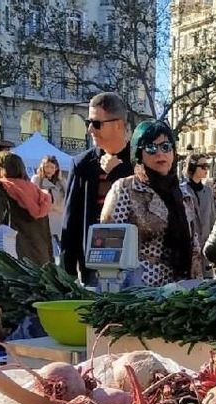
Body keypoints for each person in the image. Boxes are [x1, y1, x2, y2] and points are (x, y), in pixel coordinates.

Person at [100, 120, 199, 286]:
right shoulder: (125, 189)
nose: (160, 153)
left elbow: (194, 246)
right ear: (139, 154)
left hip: (179, 292)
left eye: (166, 146)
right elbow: (107, 247)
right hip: (138, 294)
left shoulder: (184, 194)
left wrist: (196, 286)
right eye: (151, 148)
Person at [63, 92, 133, 281]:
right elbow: (71, 223)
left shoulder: (139, 164)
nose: (90, 130)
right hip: (92, 268)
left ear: (118, 124)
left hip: (134, 268)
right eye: (89, 123)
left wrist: (118, 174)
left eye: (96, 123)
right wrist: (65, 275)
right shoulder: (82, 164)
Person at [0, 151, 54, 263]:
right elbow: (46, 232)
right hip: (41, 259)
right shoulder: (37, 192)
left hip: (14, 259)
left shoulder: (0, 188)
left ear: (2, 169)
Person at [181, 153, 216, 255]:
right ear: (192, 167)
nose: (206, 169)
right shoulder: (182, 191)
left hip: (206, 246)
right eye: (203, 166)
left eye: (208, 166)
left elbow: (212, 218)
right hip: (188, 246)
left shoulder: (209, 191)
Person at [32, 155, 67, 252]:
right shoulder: (37, 179)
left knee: (62, 251)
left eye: (52, 167)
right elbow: (34, 198)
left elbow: (68, 197)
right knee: (45, 251)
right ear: (42, 167)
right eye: (47, 166)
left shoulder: (61, 182)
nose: (49, 170)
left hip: (59, 220)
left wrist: (61, 179)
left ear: (56, 169)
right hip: (43, 219)